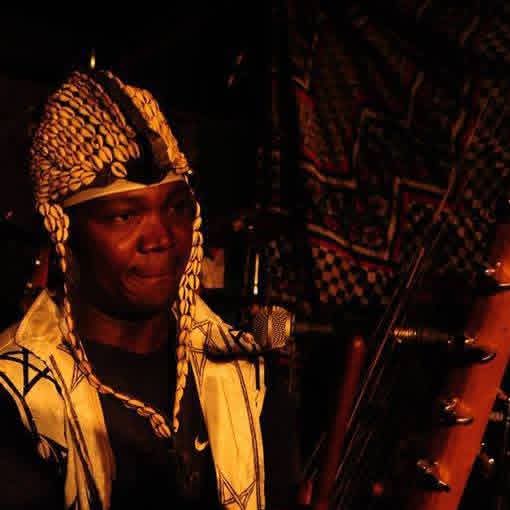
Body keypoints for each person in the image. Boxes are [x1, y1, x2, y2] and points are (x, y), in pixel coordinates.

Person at [0, 69, 289, 509]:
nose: (162, 237)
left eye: (175, 207)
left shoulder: (244, 376)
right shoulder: (17, 396)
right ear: (64, 232)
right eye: (125, 216)